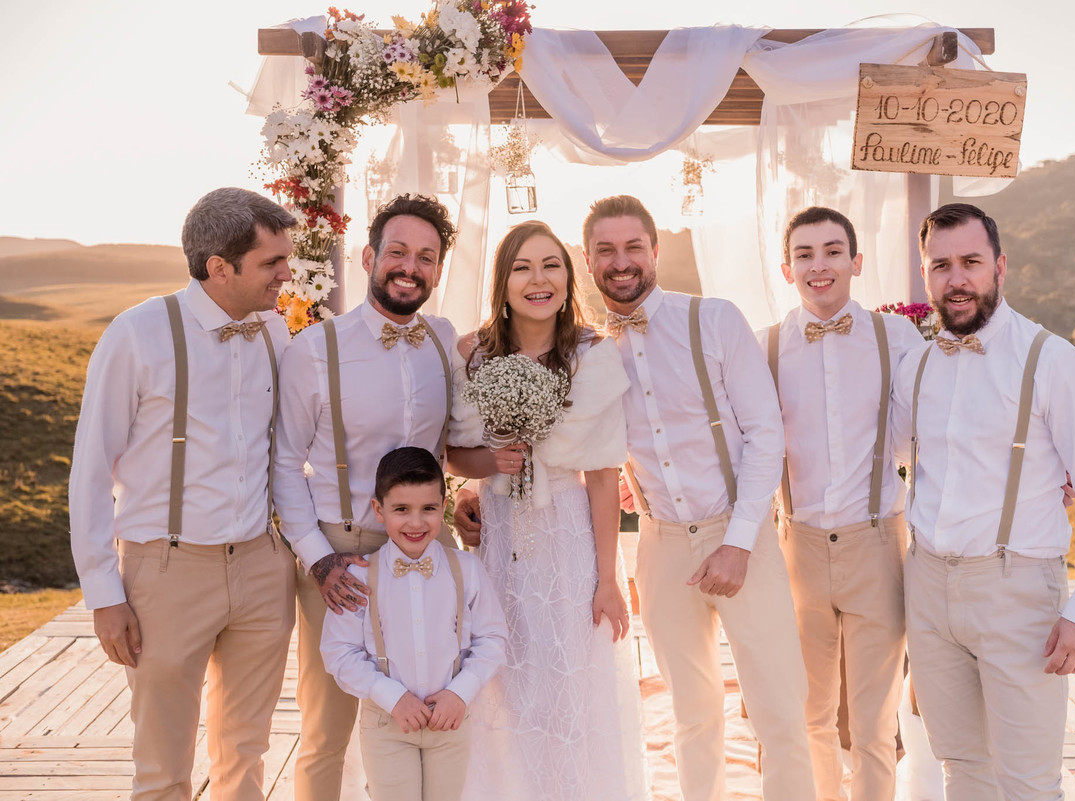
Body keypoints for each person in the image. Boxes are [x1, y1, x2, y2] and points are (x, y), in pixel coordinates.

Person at [892, 203, 1075, 801]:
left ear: (1000, 266)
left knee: (1028, 782)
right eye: (941, 266)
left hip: (1018, 590)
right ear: (925, 276)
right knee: (961, 767)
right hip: (927, 586)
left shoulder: (1054, 361)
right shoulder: (916, 365)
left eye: (971, 262)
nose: (957, 279)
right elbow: (888, 453)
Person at [582, 195, 816, 801]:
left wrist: (738, 544)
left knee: (780, 711)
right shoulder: (588, 351)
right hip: (659, 544)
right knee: (691, 714)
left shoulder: (714, 320)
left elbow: (766, 433)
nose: (621, 261)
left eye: (633, 246)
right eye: (606, 250)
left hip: (742, 533)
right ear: (588, 261)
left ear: (655, 251)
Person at [69, 187, 297, 800]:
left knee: (246, 754)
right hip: (166, 572)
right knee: (163, 766)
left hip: (261, 566)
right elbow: (91, 469)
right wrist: (103, 594)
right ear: (220, 267)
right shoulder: (137, 334)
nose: (286, 273)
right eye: (272, 262)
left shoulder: (275, 331)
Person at [446, 220, 646, 801]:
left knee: (572, 685)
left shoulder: (592, 355)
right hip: (500, 539)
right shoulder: (473, 353)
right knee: (504, 683)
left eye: (551, 265)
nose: (539, 279)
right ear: (503, 282)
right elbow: (455, 453)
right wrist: (492, 462)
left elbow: (603, 477)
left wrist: (607, 580)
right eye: (523, 267)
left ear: (568, 277)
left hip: (570, 537)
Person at [274, 193, 459, 801]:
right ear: (368, 257)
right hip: (342, 554)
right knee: (329, 726)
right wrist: (318, 560)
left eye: (426, 257)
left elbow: (455, 443)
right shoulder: (314, 349)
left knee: (430, 708)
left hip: (429, 547)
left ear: (438, 270)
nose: (410, 267)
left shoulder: (444, 340)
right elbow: (284, 464)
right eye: (398, 251)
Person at [759, 207, 925, 801]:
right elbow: (736, 440)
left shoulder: (897, 338)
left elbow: (934, 429)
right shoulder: (764, 347)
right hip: (796, 547)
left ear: (856, 262)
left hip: (877, 544)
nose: (819, 265)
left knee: (876, 724)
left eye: (832, 251)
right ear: (786, 269)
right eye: (804, 254)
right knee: (810, 716)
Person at [320, 446, 507, 801]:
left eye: (428, 509)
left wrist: (461, 691)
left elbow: (493, 638)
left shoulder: (467, 570)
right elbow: (338, 652)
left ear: (444, 505)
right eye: (402, 509)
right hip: (387, 723)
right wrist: (390, 696)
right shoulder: (358, 577)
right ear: (379, 510)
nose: (416, 523)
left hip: (450, 720)